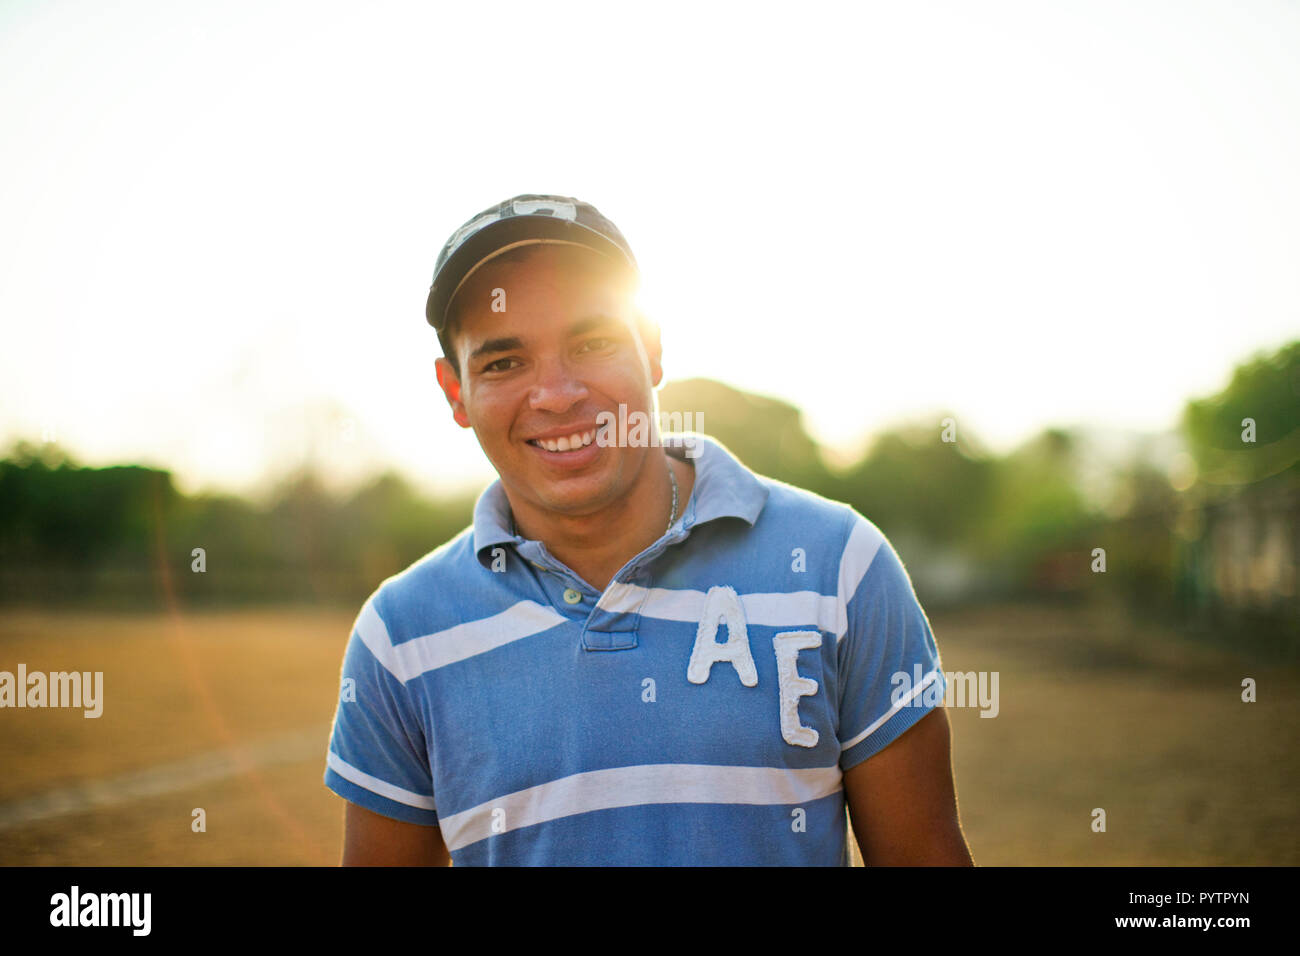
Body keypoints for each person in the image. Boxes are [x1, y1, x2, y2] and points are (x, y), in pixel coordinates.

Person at [323, 193, 974, 866]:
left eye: (593, 341)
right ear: (455, 392)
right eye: (503, 362)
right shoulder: (400, 636)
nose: (557, 394)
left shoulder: (841, 566)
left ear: (654, 348)